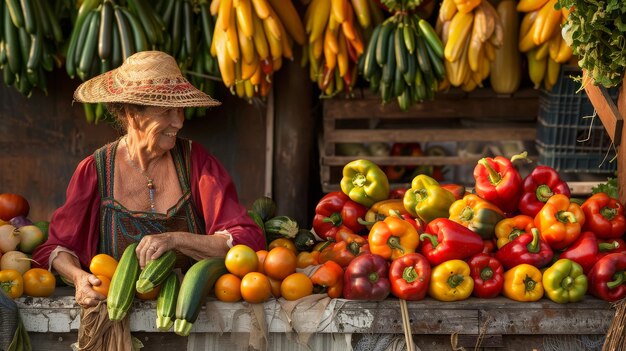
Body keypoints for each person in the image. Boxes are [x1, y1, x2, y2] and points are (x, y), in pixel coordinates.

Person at [32, 51, 265, 308]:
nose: (178, 122)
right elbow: (57, 247)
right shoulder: (95, 170)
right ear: (132, 114)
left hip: (193, 315)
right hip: (118, 316)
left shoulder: (197, 163)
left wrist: (176, 239)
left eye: (180, 110)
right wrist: (79, 279)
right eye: (166, 111)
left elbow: (247, 239)